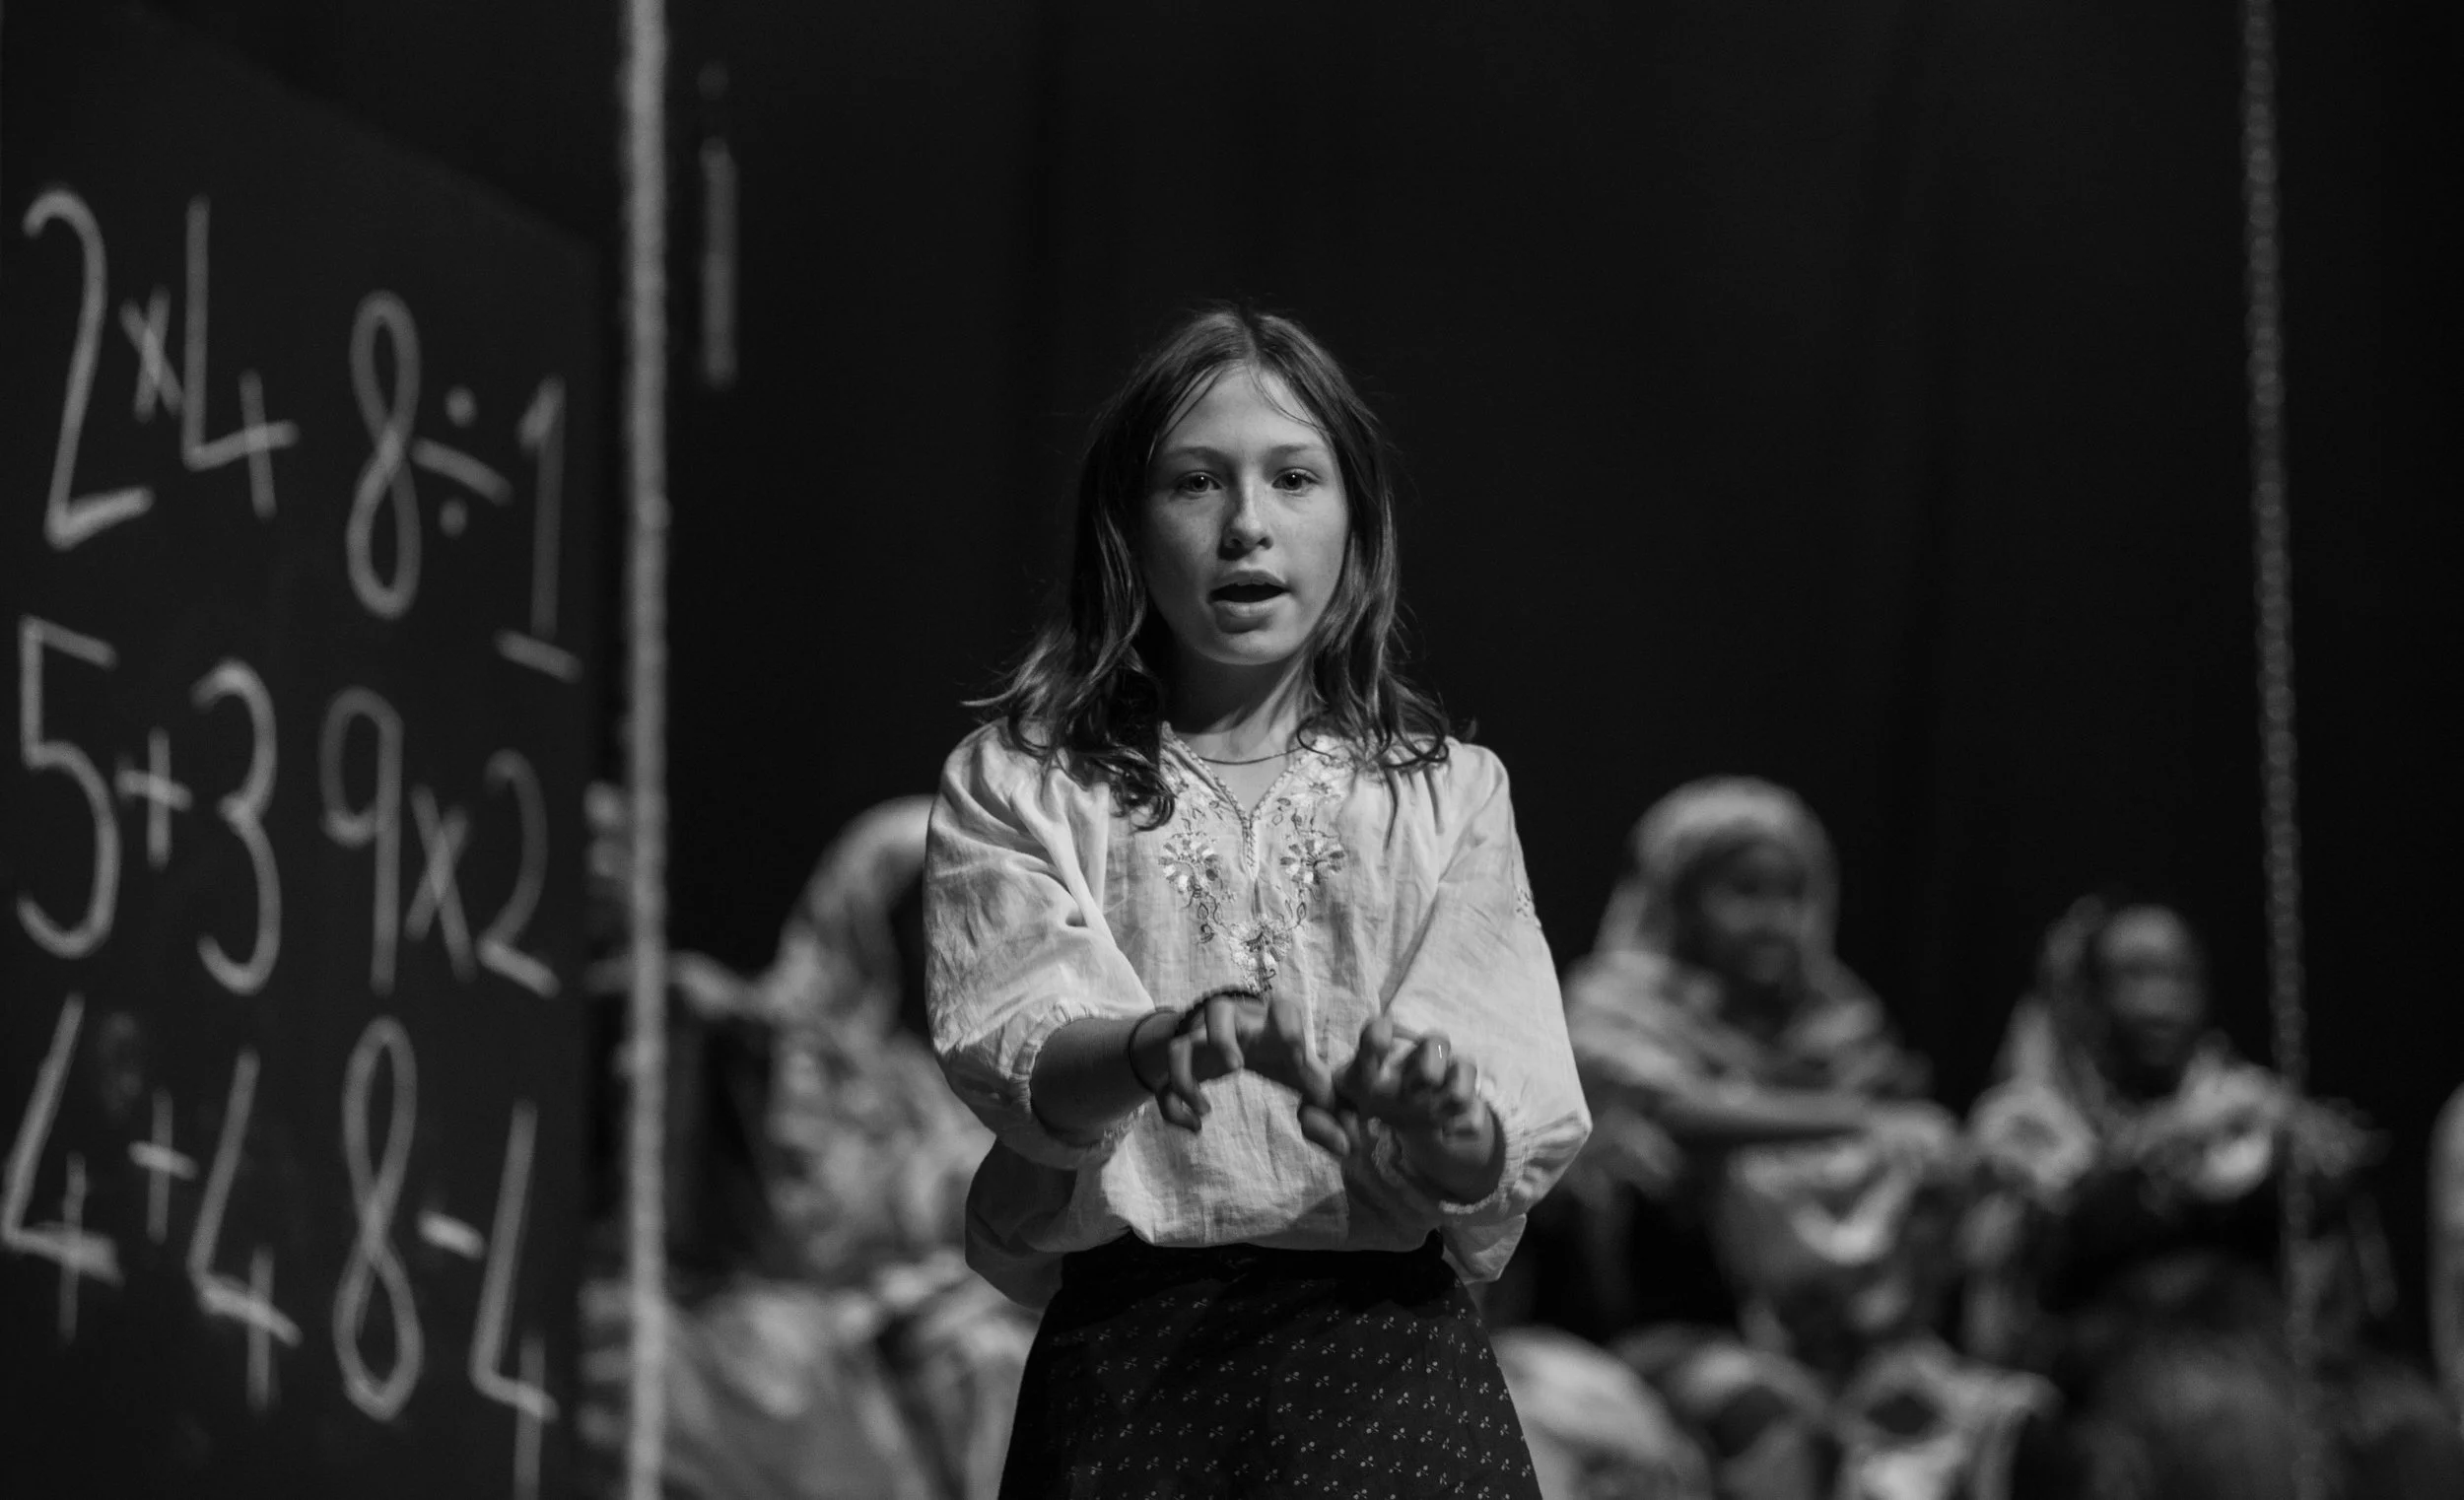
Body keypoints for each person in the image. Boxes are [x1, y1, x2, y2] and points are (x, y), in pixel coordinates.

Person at [924, 305, 1591, 1498]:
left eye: (1292, 477)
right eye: (1194, 482)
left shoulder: (1443, 796)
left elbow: (1498, 1127)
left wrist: (1442, 1117)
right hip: (1137, 1373)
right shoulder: (1028, 782)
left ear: (1356, 524)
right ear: (1127, 526)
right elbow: (1014, 1046)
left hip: (1392, 1372)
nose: (1246, 526)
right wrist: (1156, 1043)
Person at [1555, 779, 2048, 1500]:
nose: (1776, 920)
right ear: (1681, 899)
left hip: (1857, 1343)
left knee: (2011, 1419)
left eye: (1793, 895)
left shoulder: (1843, 1028)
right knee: (1767, 1416)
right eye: (1745, 892)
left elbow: (1917, 1170)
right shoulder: (1616, 1014)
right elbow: (1674, 1114)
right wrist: (1855, 1122)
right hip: (1677, 1337)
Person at [577, 795, 1036, 1500]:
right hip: (807, 1334)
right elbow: (804, 1219)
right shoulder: (778, 1046)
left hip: (931, 1359)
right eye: (934, 904)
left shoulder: (992, 1086)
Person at [1966, 894, 2464, 1500]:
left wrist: (2314, 1170)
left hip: (2268, 1349)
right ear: (2091, 997)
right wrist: (2171, 1149)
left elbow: (2319, 1240)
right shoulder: (2039, 1109)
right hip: (2129, 1356)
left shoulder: (2241, 1100)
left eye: (2177, 976)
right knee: (2238, 1429)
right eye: (2136, 976)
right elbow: (2045, 1249)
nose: (2161, 1002)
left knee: (2412, 1427)